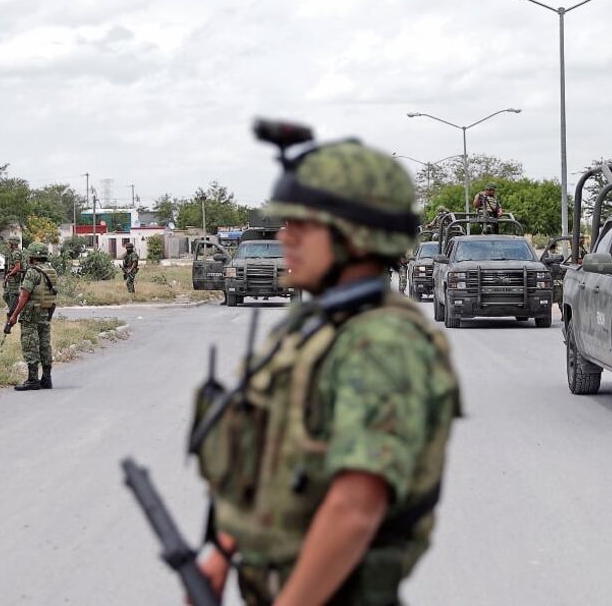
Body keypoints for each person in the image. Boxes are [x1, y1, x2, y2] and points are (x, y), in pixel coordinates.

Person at [191, 132, 461, 605]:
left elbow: (356, 507)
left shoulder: (383, 343)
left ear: (354, 236)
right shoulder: (312, 326)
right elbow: (274, 458)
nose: (284, 237)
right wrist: (221, 550)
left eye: (302, 225)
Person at [4, 243, 57, 391]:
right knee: (45, 345)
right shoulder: (51, 270)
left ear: (33, 256)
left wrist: (14, 316)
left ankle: (33, 380)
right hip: (46, 313)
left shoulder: (32, 272)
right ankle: (47, 379)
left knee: (30, 344)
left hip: (31, 315)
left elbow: (24, 296)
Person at [3, 235, 26, 318]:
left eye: (9, 242)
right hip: (12, 276)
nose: (8, 244)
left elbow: (17, 267)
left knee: (13, 296)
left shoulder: (16, 253)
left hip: (14, 277)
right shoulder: (14, 252)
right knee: (6, 295)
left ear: (13, 243)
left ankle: (14, 312)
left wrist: (9, 274)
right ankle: (13, 310)